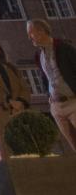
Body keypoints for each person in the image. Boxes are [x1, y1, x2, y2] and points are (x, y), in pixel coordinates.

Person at [28, 18, 76, 151]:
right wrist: (48, 95)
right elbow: (44, 77)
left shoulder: (63, 47)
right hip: (56, 105)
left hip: (73, 101)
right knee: (73, 144)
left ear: (41, 31)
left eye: (31, 33)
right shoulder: (39, 54)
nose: (29, 37)